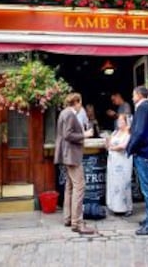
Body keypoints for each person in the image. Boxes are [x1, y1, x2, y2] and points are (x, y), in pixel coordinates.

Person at [54, 92, 95, 234]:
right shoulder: (70, 114)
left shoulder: (63, 113)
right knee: (79, 186)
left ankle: (68, 218)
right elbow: (68, 135)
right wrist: (85, 134)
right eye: (80, 103)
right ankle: (77, 223)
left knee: (70, 187)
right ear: (76, 102)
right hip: (71, 155)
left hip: (66, 154)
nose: (81, 106)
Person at [126, 86, 148, 235]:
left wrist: (130, 148)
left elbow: (139, 132)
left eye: (133, 95)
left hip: (144, 154)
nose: (132, 97)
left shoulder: (142, 108)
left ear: (139, 95)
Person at [106, 114, 133, 216]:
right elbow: (108, 144)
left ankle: (126, 207)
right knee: (113, 183)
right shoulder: (115, 132)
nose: (119, 122)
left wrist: (112, 148)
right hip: (113, 161)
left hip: (123, 161)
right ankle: (114, 206)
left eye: (121, 121)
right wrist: (108, 142)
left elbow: (123, 146)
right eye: (118, 120)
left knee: (123, 183)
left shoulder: (129, 134)